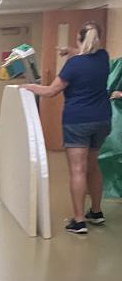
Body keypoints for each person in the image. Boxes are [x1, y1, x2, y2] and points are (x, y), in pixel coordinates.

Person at [23, 22, 112, 235]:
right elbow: (87, 54)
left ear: (79, 39)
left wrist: (30, 87)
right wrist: (71, 51)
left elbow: (51, 91)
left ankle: (79, 221)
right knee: (93, 166)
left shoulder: (73, 65)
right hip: (102, 119)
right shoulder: (103, 57)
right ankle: (96, 212)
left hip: (77, 121)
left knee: (78, 169)